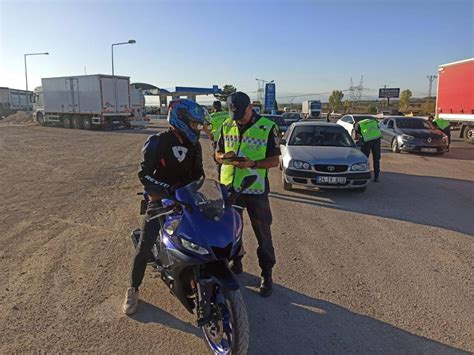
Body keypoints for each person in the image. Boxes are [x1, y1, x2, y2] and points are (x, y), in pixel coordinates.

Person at [123, 99, 207, 315]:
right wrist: (165, 191)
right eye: (193, 123)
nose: (196, 128)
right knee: (144, 245)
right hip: (159, 199)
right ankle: (133, 289)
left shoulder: (195, 145)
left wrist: (189, 190)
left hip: (186, 198)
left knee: (203, 234)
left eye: (198, 124)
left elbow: (199, 174)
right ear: (180, 120)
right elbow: (145, 175)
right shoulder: (157, 142)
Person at [215, 92, 281, 297]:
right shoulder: (227, 125)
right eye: (235, 115)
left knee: (263, 234)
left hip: (255, 190)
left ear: (250, 107)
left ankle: (266, 274)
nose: (238, 119)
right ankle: (237, 262)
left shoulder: (267, 127)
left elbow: (274, 161)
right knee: (230, 231)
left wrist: (252, 164)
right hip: (229, 189)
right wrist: (223, 157)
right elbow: (216, 155)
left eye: (242, 114)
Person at [353, 117, 382, 182]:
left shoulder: (358, 124)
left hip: (368, 140)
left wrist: (357, 141)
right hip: (377, 139)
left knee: (364, 158)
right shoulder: (373, 121)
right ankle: (376, 177)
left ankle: (363, 176)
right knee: (376, 159)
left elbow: (357, 136)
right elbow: (378, 128)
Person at [209, 101, 230, 178]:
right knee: (229, 157)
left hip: (217, 139)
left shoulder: (211, 116)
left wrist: (209, 135)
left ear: (213, 107)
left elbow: (205, 126)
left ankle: (220, 177)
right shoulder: (227, 114)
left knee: (218, 158)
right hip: (228, 138)